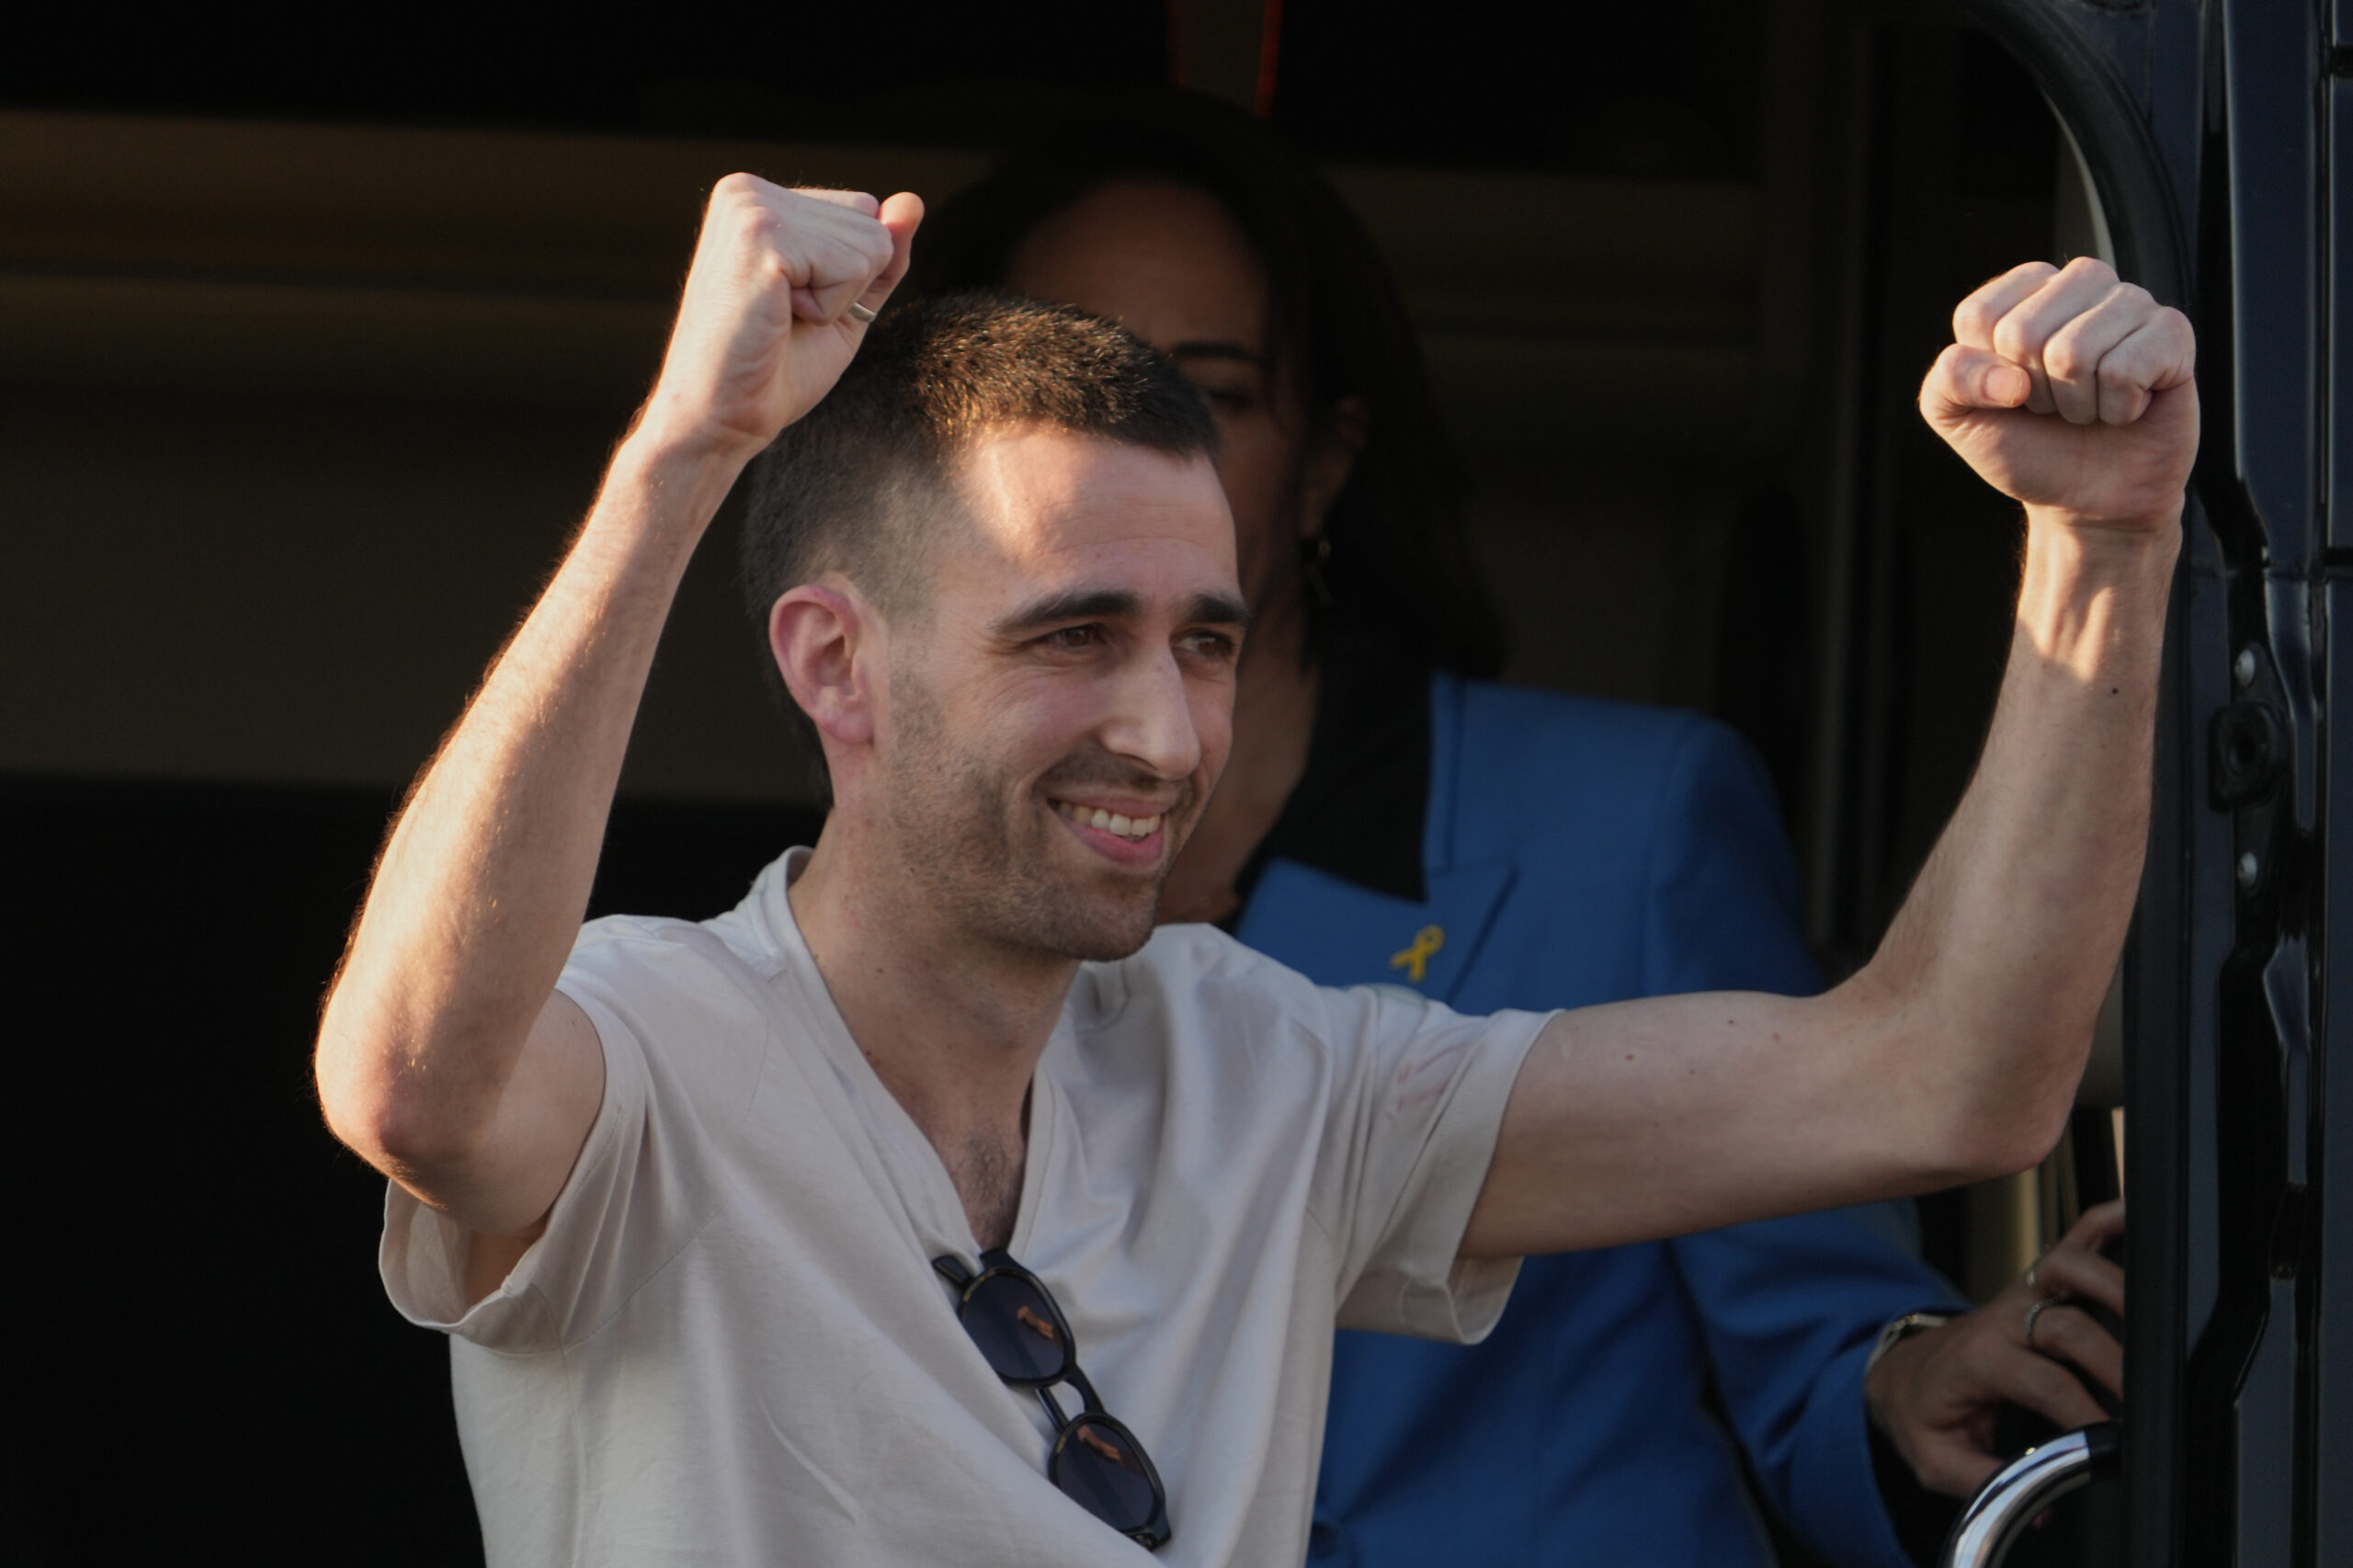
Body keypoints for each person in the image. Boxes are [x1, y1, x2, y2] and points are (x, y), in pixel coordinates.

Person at [313, 168, 2191, 1568]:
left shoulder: (1273, 1067)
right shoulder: (650, 1045)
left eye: (1203, 640)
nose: (1165, 732)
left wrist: (2102, 545)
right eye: (1073, 635)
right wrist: (685, 452)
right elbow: (410, 1080)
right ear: (835, 665)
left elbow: (1944, 1074)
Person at [906, 102, 2130, 1565]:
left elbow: (1830, 1337)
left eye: (1209, 393)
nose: (1131, 450)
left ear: (1327, 463)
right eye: (1069, 391)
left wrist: (1915, 1375)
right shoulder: (888, 913)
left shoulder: (1630, 823)